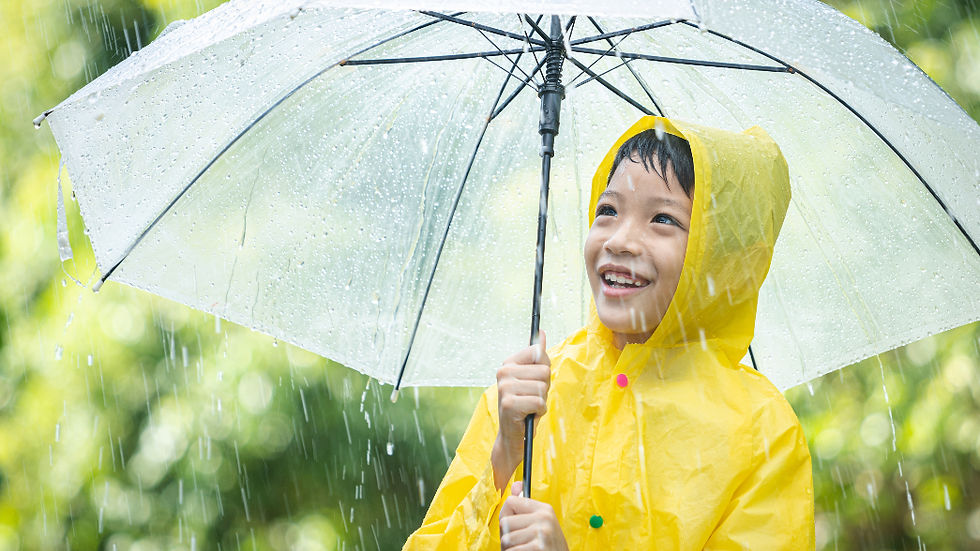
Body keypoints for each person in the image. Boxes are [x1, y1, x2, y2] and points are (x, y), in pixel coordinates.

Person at [402, 116, 814, 550]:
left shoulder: (761, 431)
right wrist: (504, 456)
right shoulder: (525, 396)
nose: (619, 240)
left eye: (662, 219)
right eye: (608, 210)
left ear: (719, 256)